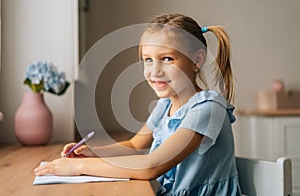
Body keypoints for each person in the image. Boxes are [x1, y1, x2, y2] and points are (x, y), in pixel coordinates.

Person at [34, 13, 241, 196]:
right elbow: (134, 145)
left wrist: (78, 167)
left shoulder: (208, 108)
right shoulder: (164, 105)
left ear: (197, 60)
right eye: (148, 60)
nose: (154, 71)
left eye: (167, 59)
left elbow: (151, 166)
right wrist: (95, 152)